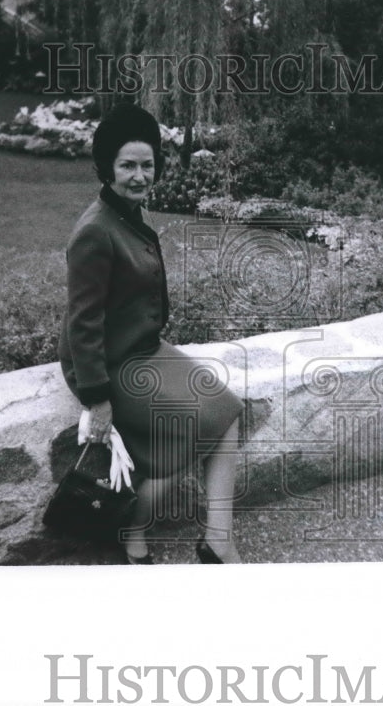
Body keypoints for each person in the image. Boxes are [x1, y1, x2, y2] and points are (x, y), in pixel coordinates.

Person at [57, 101, 243, 564]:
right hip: (108, 362)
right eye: (127, 166)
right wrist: (97, 399)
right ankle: (132, 528)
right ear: (106, 169)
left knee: (228, 410)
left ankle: (218, 539)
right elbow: (83, 322)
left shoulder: (127, 214)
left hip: (142, 348)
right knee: (187, 429)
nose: (140, 175)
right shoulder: (94, 232)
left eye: (147, 164)